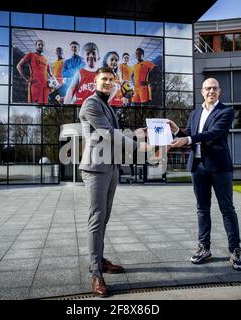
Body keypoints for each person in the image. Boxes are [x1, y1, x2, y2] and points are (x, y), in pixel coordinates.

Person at [79, 67, 152, 297]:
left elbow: (115, 134)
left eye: (111, 80)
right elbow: (109, 134)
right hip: (95, 169)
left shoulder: (107, 105)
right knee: (97, 219)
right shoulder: (91, 104)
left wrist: (138, 132)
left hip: (110, 168)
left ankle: (99, 260)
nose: (108, 83)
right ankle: (96, 274)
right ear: (95, 81)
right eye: (104, 80)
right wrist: (139, 146)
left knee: (104, 218)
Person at [168, 78, 241, 271]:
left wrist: (187, 138)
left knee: (227, 209)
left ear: (220, 91)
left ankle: (235, 250)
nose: (211, 91)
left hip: (219, 167)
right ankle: (204, 248)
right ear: (202, 92)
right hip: (198, 167)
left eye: (214, 88)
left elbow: (213, 133)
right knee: (202, 209)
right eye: (208, 88)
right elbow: (191, 135)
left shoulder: (226, 112)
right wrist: (177, 131)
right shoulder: (195, 113)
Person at [16, 39, 56, 104]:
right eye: (39, 44)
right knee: (34, 107)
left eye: (42, 45)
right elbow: (18, 66)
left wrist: (54, 84)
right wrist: (26, 78)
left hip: (45, 88)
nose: (40, 46)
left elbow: (51, 74)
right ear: (35, 46)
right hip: (35, 87)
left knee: (44, 107)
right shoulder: (30, 54)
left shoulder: (45, 59)